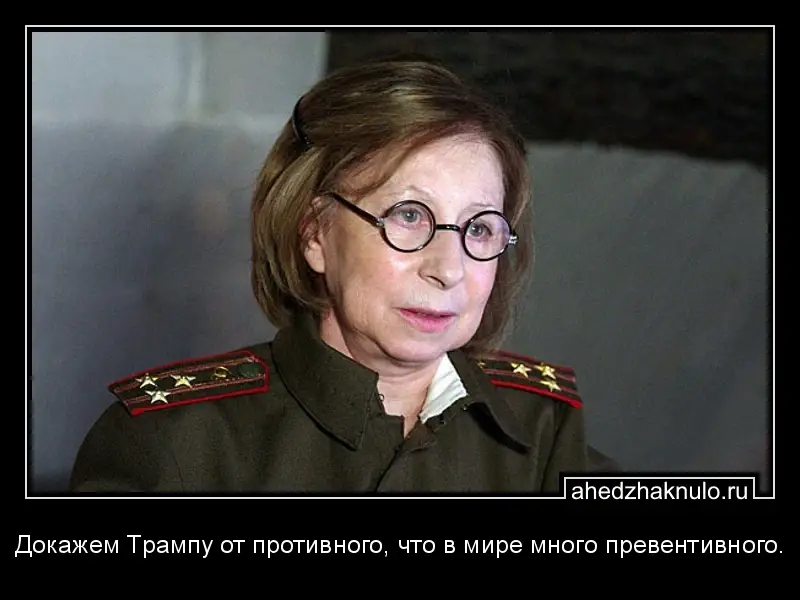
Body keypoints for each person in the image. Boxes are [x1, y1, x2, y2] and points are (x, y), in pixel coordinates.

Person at [69, 56, 618, 493]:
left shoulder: (545, 431)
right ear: (315, 234)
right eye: (409, 216)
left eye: (478, 229)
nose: (448, 269)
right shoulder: (171, 442)